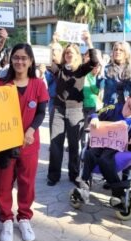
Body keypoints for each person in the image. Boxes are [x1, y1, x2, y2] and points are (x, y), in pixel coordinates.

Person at [0, 43, 48, 241]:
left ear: (31, 61)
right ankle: (6, 219)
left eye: (24, 58)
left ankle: (24, 217)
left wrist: (31, 130)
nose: (19, 61)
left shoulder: (38, 84)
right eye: (16, 57)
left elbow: (41, 112)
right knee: (3, 183)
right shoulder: (0, 84)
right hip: (5, 145)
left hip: (28, 144)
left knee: (27, 183)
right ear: (10, 59)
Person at [74, 90, 131, 214]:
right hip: (101, 141)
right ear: (128, 98)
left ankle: (118, 193)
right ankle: (84, 187)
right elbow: (95, 114)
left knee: (104, 160)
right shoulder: (112, 108)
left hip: (118, 147)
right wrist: (94, 119)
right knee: (89, 153)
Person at [46, 31, 99, 186]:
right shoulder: (60, 69)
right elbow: (46, 59)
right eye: (67, 52)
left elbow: (94, 61)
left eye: (72, 52)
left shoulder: (81, 69)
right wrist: (54, 42)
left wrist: (89, 41)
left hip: (76, 111)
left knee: (74, 145)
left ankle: (74, 174)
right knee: (55, 143)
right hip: (58, 110)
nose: (69, 54)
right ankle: (53, 175)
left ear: (77, 56)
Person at [102, 41, 131, 107]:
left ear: (126, 53)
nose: (117, 52)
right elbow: (99, 85)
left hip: (126, 105)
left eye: (121, 50)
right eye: (115, 49)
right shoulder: (106, 68)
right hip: (110, 105)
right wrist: (100, 74)